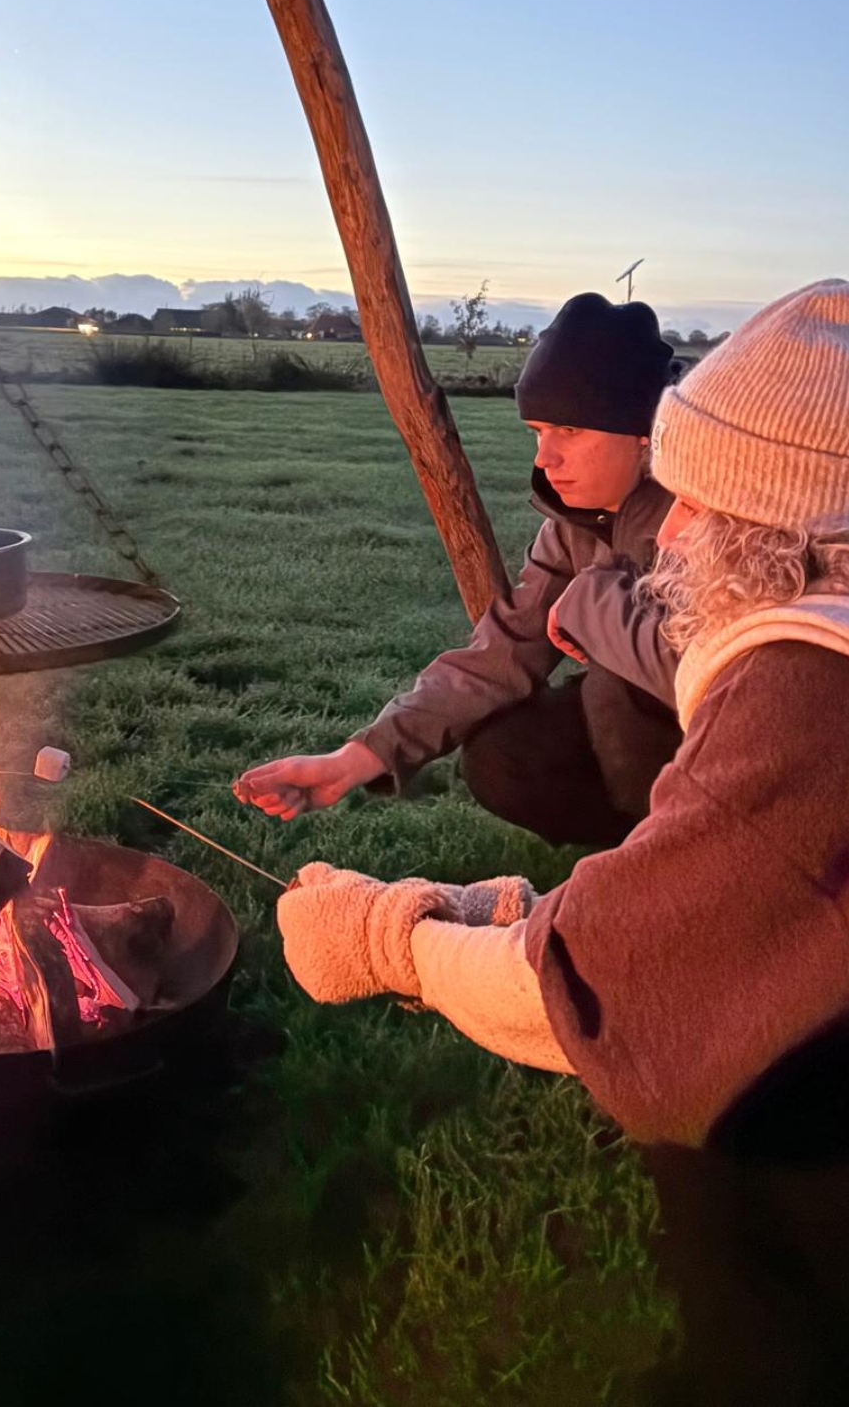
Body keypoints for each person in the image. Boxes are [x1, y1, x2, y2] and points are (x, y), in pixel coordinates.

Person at [275, 279, 849, 1404]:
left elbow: (599, 982)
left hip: (729, 845)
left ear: (783, 504)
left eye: (703, 493)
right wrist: (363, 754)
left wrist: (386, 936)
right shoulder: (761, 591)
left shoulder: (800, 701)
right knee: (526, 733)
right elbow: (504, 647)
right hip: (756, 868)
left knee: (729, 1145)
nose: (678, 525)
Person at [236, 291, 680, 847]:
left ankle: (682, 865)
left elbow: (700, 674)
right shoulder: (574, 523)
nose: (545, 458)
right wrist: (362, 756)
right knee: (504, 756)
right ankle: (636, 856)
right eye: (538, 432)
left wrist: (590, 602)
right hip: (648, 750)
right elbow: (503, 651)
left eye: (571, 431)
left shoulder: (707, 514)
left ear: (645, 433)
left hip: (729, 740)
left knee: (619, 691)